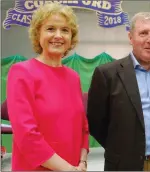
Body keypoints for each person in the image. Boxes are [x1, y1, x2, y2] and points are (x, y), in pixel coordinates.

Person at [87, 12, 150, 171]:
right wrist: (120, 150)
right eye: (143, 33)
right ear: (131, 37)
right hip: (123, 164)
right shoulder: (107, 74)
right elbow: (96, 122)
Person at [6, 2, 89, 171]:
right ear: (38, 34)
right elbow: (26, 135)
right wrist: (67, 169)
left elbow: (83, 127)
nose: (58, 35)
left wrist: (83, 162)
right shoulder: (21, 72)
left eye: (65, 30)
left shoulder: (74, 77)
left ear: (71, 38)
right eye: (50, 29)